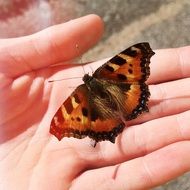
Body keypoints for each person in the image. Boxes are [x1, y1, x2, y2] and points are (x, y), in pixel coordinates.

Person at [0, 14, 190, 190]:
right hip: (125, 93)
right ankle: (131, 109)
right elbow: (131, 59)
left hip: (109, 110)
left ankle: (121, 116)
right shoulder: (105, 73)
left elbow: (138, 53)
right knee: (127, 92)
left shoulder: (77, 97)